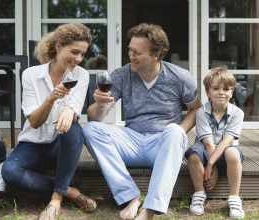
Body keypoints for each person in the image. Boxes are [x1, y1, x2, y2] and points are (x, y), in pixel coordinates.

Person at [83, 23, 202, 220]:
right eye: (129, 49)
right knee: (91, 129)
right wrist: (99, 104)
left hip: (163, 145)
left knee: (174, 130)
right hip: (131, 143)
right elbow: (95, 118)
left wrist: (180, 130)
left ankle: (151, 209)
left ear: (156, 55)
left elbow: (196, 108)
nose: (130, 55)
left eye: (136, 52)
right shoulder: (121, 75)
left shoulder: (179, 77)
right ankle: (131, 196)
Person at [1, 22, 96, 220]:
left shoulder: (81, 75)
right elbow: (34, 122)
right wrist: (51, 99)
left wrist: (70, 111)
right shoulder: (31, 75)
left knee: (74, 129)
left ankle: (56, 200)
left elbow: (75, 109)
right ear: (58, 46)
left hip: (60, 145)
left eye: (83, 54)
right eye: (74, 52)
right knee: (9, 171)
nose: (79, 59)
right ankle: (70, 191)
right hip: (32, 144)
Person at [185, 67, 245, 219]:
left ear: (232, 92)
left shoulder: (237, 113)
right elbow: (208, 144)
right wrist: (214, 167)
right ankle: (199, 193)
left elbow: (227, 141)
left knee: (232, 151)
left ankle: (234, 198)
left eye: (226, 89)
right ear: (207, 92)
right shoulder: (202, 112)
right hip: (206, 148)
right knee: (193, 154)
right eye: (216, 88)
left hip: (226, 150)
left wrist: (212, 165)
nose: (221, 92)